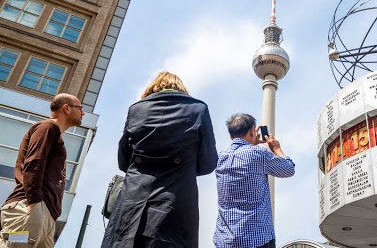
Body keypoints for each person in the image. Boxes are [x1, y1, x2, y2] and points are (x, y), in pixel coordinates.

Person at [101, 71, 218, 248]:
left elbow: (123, 161)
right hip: (176, 202)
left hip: (132, 202)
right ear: (181, 88)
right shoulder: (198, 109)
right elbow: (209, 163)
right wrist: (184, 167)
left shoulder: (136, 109)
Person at [0, 93, 84, 248]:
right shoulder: (47, 127)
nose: (83, 112)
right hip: (31, 208)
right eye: (80, 108)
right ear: (66, 108)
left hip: (46, 216)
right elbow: (34, 163)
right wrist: (34, 204)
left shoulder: (56, 134)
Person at [214, 114, 295, 248]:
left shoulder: (220, 158)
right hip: (257, 239)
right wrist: (276, 149)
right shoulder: (257, 154)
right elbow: (289, 169)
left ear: (230, 135)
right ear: (253, 130)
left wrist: (251, 143)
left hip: (225, 240)